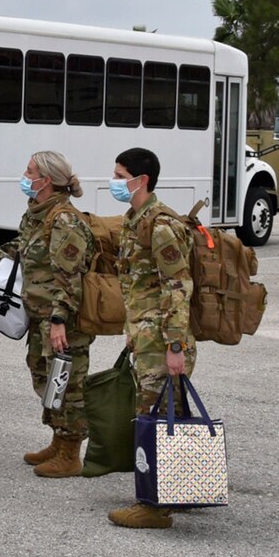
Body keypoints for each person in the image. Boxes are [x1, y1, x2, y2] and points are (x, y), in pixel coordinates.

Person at [108, 146, 195, 531]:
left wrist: (175, 345)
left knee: (155, 420)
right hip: (147, 337)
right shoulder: (135, 221)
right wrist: (133, 331)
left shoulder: (160, 226)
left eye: (120, 176)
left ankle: (154, 507)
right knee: (162, 416)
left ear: (141, 180)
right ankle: (174, 492)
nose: (114, 182)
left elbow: (178, 286)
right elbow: (139, 286)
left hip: (163, 343)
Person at [0, 151, 95, 478]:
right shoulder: (37, 214)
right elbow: (23, 247)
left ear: (46, 180)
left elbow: (70, 277)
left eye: (30, 172)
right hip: (40, 315)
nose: (24, 176)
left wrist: (59, 321)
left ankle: (71, 454)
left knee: (67, 383)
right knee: (45, 378)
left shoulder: (65, 220)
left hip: (63, 319)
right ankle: (58, 440)